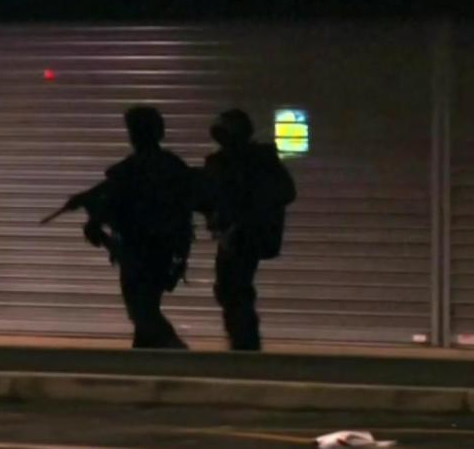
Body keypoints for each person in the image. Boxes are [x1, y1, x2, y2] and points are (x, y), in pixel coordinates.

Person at [45, 106, 194, 349]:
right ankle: (146, 355)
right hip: (157, 249)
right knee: (144, 306)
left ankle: (176, 352)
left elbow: (117, 196)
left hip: (141, 250)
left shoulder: (138, 169)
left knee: (142, 309)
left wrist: (94, 215)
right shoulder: (168, 165)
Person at [201, 108, 296, 351]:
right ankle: (243, 340)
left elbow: (284, 192)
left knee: (234, 288)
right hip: (236, 234)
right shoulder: (231, 161)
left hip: (244, 236)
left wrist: (243, 216)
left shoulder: (255, 161)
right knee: (232, 288)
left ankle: (244, 342)